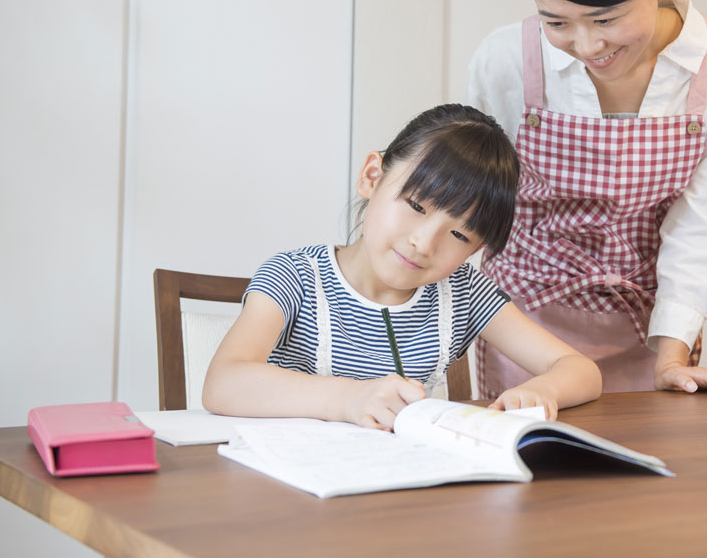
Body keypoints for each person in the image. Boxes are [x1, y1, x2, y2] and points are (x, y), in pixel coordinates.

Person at [468, 0, 707, 399]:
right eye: (556, 22)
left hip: (654, 331)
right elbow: (475, 203)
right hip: (523, 328)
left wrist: (672, 355)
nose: (586, 45)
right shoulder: (507, 59)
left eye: (606, 18)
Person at [203, 104, 602, 428]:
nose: (423, 243)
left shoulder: (463, 293)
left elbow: (581, 370)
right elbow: (224, 382)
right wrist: (349, 399)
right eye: (415, 206)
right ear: (372, 177)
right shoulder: (295, 277)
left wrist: (545, 390)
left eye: (460, 236)